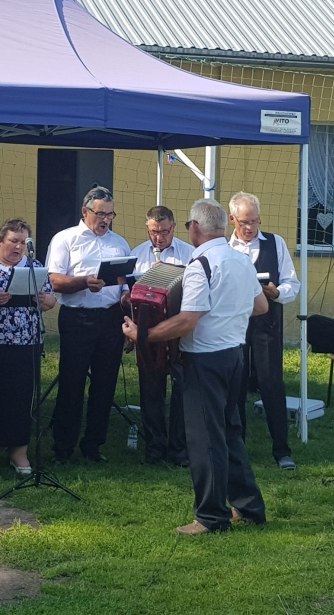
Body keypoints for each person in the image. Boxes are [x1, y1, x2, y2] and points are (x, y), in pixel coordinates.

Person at [123, 199, 269, 534]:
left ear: (194, 228)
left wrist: (143, 334)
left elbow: (187, 321)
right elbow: (260, 306)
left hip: (204, 359)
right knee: (230, 433)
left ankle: (211, 517)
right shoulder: (241, 259)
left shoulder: (200, 265)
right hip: (234, 355)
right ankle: (249, 507)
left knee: (205, 439)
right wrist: (227, 311)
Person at [46, 186, 131, 464]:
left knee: (105, 384)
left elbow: (124, 282)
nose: (106, 220)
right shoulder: (66, 239)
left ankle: (93, 445)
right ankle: (63, 447)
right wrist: (84, 282)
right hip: (78, 317)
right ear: (85, 212)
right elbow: (53, 280)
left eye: (110, 214)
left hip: (110, 317)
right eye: (101, 214)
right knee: (72, 382)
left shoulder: (119, 243)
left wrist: (127, 297)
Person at [0, 218, 57, 474]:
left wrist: (43, 299)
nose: (18, 247)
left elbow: (51, 301)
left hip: (26, 342)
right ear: (0, 240)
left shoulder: (34, 267)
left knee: (21, 398)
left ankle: (18, 452)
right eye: (13, 241)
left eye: (23, 242)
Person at [228, 192, 300, 470]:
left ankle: (281, 449)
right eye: (244, 222)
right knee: (236, 384)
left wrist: (277, 292)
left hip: (267, 324)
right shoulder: (225, 247)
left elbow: (292, 284)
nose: (250, 228)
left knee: (271, 383)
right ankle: (238, 446)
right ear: (232, 219)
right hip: (235, 325)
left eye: (255, 221)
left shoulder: (275, 242)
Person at [130, 205, 193, 466]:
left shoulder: (189, 253)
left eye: (165, 231)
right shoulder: (135, 255)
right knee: (150, 390)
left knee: (181, 390)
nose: (159, 237)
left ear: (174, 228)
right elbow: (125, 297)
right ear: (147, 228)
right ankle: (154, 448)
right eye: (154, 232)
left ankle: (179, 449)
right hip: (147, 331)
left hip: (179, 331)